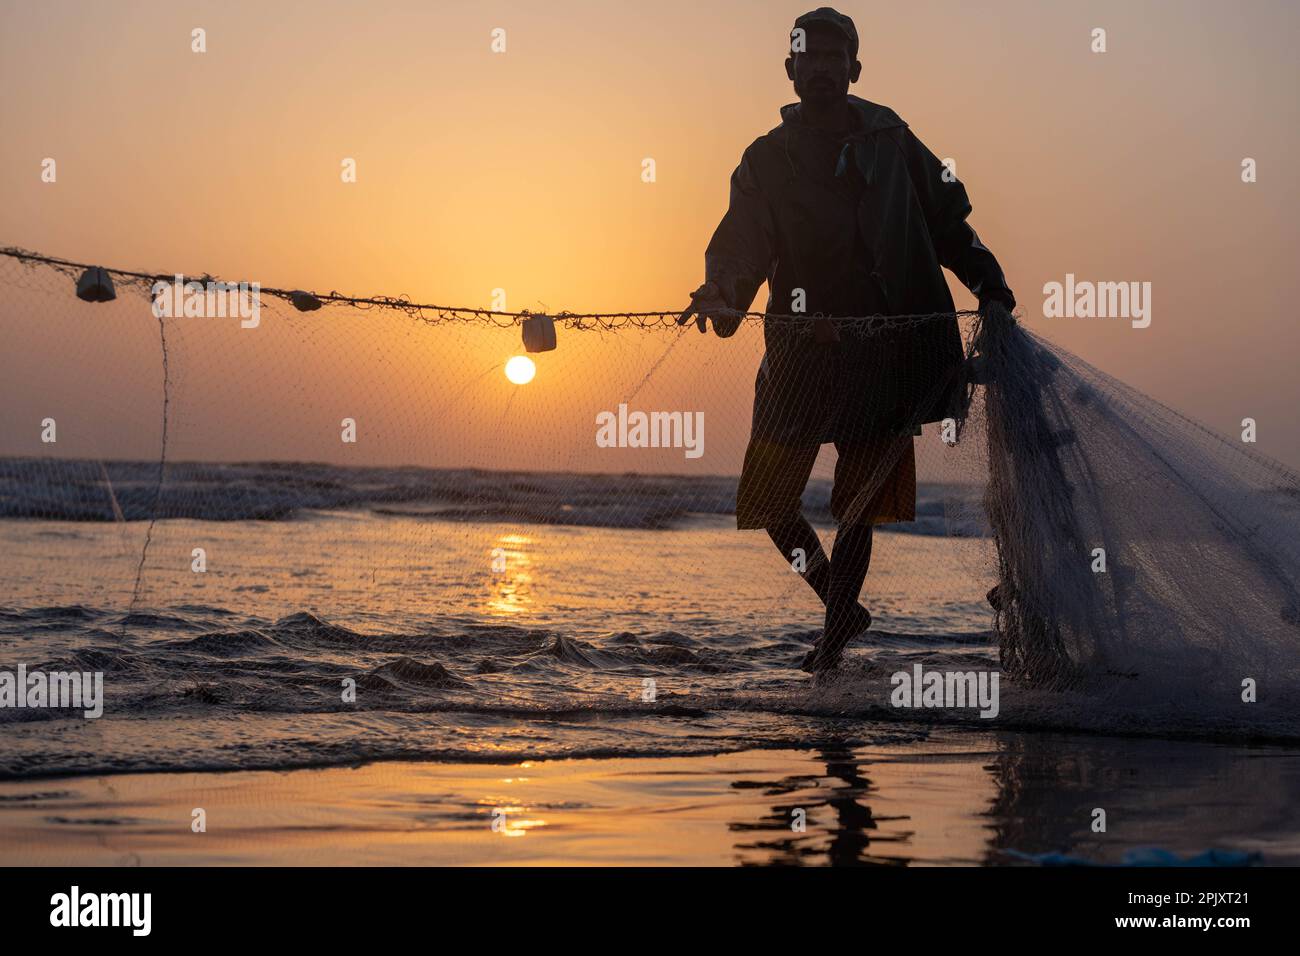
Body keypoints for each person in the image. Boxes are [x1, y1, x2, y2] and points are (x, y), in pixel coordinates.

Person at [680, 7, 1016, 673]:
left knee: (858, 508)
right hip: (798, 353)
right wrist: (721, 293)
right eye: (810, 56)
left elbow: (950, 225)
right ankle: (841, 603)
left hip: (886, 353)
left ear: (854, 69)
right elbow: (743, 245)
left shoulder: (892, 140)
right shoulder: (765, 160)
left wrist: (992, 287)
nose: (824, 68)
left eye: (837, 58)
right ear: (791, 69)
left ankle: (830, 644)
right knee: (769, 503)